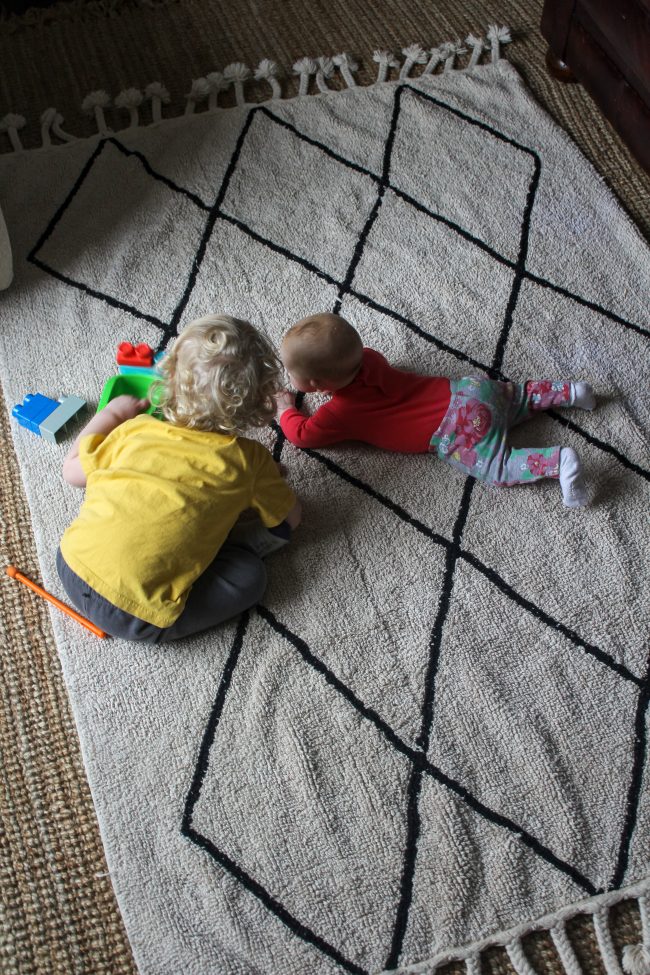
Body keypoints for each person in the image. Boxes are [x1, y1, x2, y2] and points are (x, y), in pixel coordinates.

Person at [57, 314, 301, 643]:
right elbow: (289, 521)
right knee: (250, 578)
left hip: (72, 565)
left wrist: (112, 414)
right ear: (260, 404)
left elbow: (71, 473)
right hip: (138, 619)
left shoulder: (134, 431)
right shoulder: (248, 461)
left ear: (168, 374)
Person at [275, 312, 596, 507]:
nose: (289, 378)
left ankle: (558, 462)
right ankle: (570, 391)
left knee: (497, 468)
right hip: (471, 389)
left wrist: (285, 408)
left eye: (292, 375)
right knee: (519, 398)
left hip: (458, 431)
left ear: (316, 384)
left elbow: (302, 435)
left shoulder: (339, 414)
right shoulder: (371, 357)